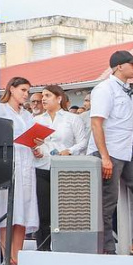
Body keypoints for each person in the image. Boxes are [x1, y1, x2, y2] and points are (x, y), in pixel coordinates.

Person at [88, 50, 133, 254]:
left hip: (129, 152)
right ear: (120, 66)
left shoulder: (130, 91)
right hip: (110, 152)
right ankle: (106, 248)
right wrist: (104, 157)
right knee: (107, 202)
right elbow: (96, 123)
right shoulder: (105, 89)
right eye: (132, 63)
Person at [33, 84, 90, 252]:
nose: (43, 99)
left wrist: (69, 151)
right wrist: (35, 150)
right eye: (43, 95)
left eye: (48, 95)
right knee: (43, 212)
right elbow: (34, 142)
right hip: (43, 167)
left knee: (65, 212)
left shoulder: (72, 119)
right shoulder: (37, 120)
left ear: (59, 98)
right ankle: (43, 248)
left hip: (65, 170)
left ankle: (67, 248)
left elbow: (83, 142)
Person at [0, 77, 40, 265]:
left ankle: (18, 256)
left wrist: (36, 145)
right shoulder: (1, 110)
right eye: (23, 90)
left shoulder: (27, 115)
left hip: (26, 163)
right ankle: (7, 256)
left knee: (24, 208)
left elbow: (32, 137)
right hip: (10, 161)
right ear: (12, 89)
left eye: (27, 91)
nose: (26, 94)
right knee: (8, 208)